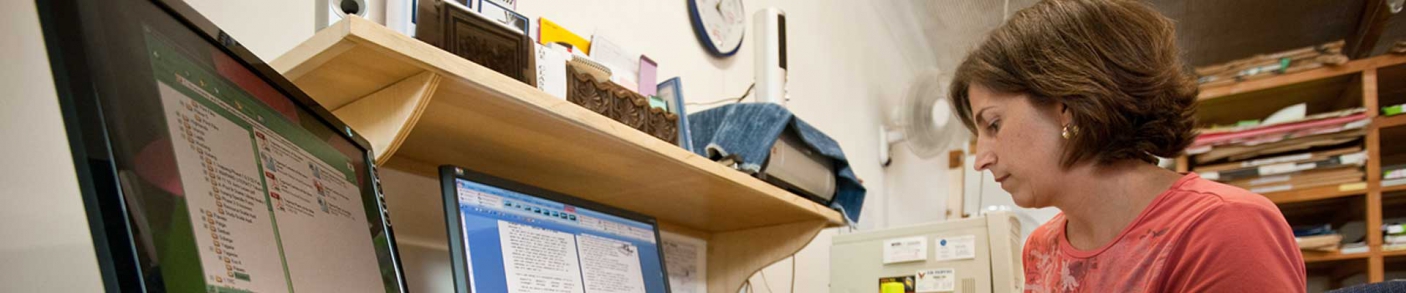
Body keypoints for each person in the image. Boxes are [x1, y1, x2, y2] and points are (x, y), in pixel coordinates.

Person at [948, 0, 1306, 292]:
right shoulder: (1041, 248)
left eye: (994, 124)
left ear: (1067, 107)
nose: (982, 159)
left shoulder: (1224, 229)